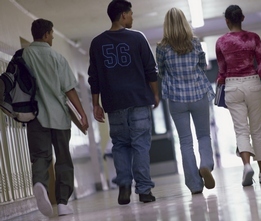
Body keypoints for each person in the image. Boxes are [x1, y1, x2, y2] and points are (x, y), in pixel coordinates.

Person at [88, 0, 159, 205]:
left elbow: (94, 77)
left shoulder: (97, 43)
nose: (132, 17)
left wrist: (95, 104)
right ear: (122, 15)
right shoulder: (137, 38)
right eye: (130, 13)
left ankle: (124, 186)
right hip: (138, 99)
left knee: (120, 145)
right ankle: (144, 190)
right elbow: (150, 69)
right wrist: (155, 94)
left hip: (113, 103)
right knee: (140, 145)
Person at [21, 18, 89, 217]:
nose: (52, 37)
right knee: (63, 159)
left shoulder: (24, 55)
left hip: (34, 116)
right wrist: (82, 114)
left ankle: (40, 183)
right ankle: (62, 202)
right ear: (46, 35)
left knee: (40, 157)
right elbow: (69, 89)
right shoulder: (57, 57)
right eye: (51, 34)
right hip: (59, 117)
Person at [156, 8, 216, 194]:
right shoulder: (195, 43)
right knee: (204, 136)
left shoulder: (162, 47)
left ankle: (194, 185)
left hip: (176, 99)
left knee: (185, 141)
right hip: (198, 94)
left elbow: (161, 71)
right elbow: (202, 65)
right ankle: (205, 164)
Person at [215, 5, 261, 186]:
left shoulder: (221, 42)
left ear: (227, 21)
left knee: (241, 130)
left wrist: (221, 80)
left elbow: (222, 71)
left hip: (232, 86)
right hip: (252, 83)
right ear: (243, 18)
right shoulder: (253, 38)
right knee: (258, 129)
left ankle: (247, 166)